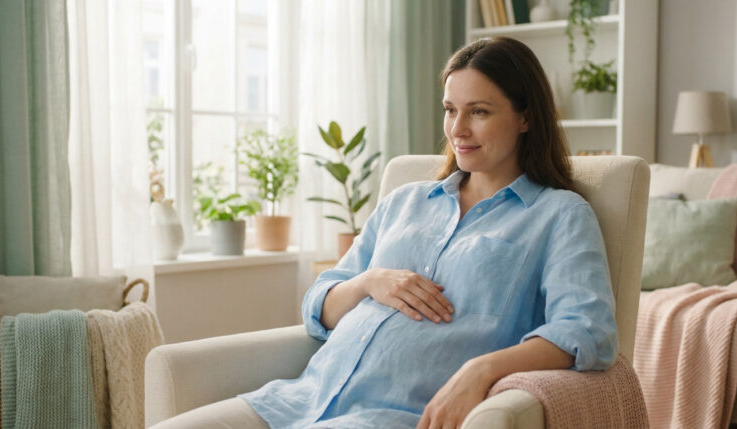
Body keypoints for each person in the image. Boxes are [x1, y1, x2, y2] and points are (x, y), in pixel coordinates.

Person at [154, 36, 617, 429]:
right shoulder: (405, 201)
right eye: (450, 109)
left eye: (478, 112)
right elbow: (319, 303)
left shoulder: (559, 215)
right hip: (298, 402)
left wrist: (482, 370)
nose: (458, 129)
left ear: (526, 117)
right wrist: (369, 282)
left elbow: (587, 331)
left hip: (393, 416)